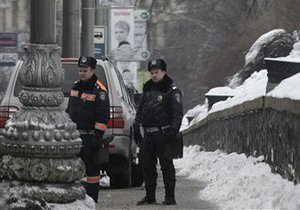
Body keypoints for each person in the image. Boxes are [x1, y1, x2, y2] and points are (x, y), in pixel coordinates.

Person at [134, 58, 183, 205]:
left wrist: (173, 131)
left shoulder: (171, 90)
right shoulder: (148, 88)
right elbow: (141, 109)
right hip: (148, 133)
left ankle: (170, 196)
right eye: (152, 72)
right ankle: (150, 195)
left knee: (166, 165)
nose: (154, 75)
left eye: (157, 72)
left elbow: (177, 113)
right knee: (147, 164)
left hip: (164, 133)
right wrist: (137, 126)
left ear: (164, 72)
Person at [66, 56, 110, 203]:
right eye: (80, 70)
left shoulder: (99, 90)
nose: (82, 73)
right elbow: (70, 109)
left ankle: (92, 199)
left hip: (90, 137)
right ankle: (77, 199)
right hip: (75, 136)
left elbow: (103, 116)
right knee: (74, 168)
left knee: (92, 171)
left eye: (85, 70)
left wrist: (97, 136)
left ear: (92, 70)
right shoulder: (75, 86)